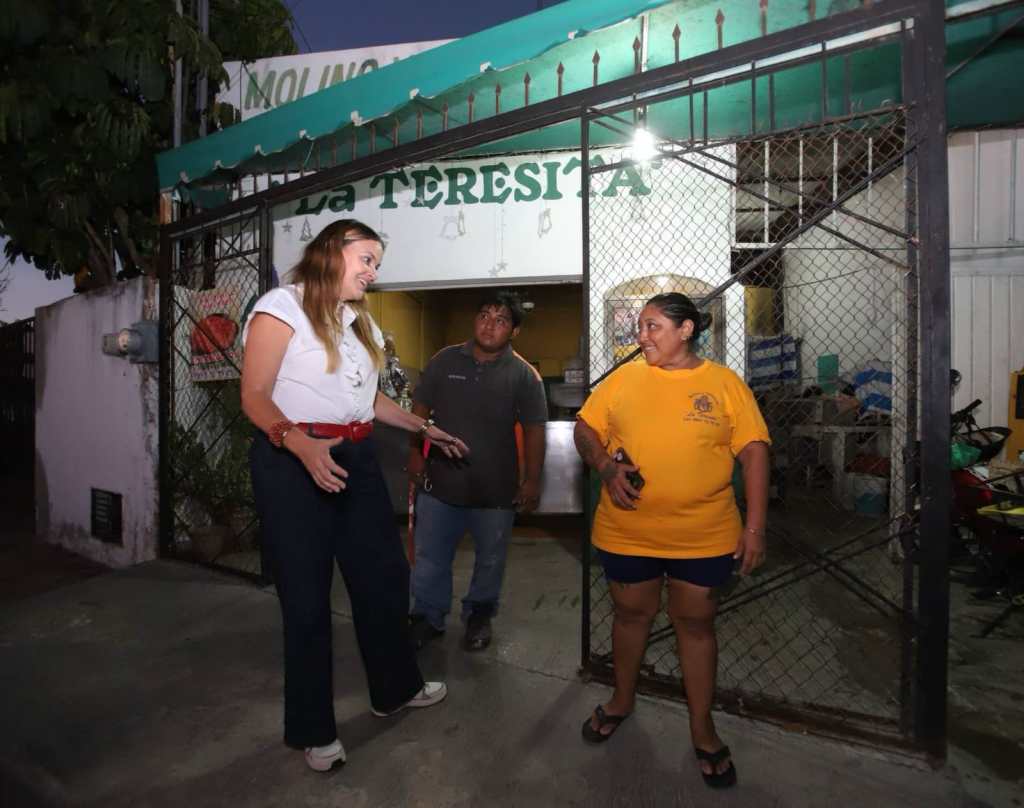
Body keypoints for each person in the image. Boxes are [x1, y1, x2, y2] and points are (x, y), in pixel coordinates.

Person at [240, 219, 469, 773]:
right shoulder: (281, 306)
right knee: (306, 598)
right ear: (331, 251)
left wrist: (422, 427)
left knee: (384, 579)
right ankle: (313, 730)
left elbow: (369, 401)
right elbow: (254, 396)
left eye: (376, 264)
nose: (372, 271)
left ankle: (395, 689)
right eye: (366, 258)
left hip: (356, 457)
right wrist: (300, 445)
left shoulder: (358, 321)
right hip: (292, 459)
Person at [573, 292, 770, 790]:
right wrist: (605, 466)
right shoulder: (624, 379)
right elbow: (585, 428)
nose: (641, 336)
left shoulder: (724, 384)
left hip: (704, 536)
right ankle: (622, 700)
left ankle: (702, 728)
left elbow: (754, 453)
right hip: (627, 532)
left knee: (696, 626)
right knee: (630, 616)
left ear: (686, 330)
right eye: (639, 326)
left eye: (652, 326)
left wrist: (754, 528)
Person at [407, 290, 548, 651]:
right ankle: (427, 617)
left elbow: (535, 430)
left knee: (490, 561)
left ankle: (479, 617)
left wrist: (532, 480)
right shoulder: (444, 361)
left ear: (514, 331)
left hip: (495, 491)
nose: (489, 325)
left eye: (501, 320)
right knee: (430, 557)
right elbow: (419, 410)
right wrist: (416, 454)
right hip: (440, 483)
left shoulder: (525, 376)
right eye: (484, 315)